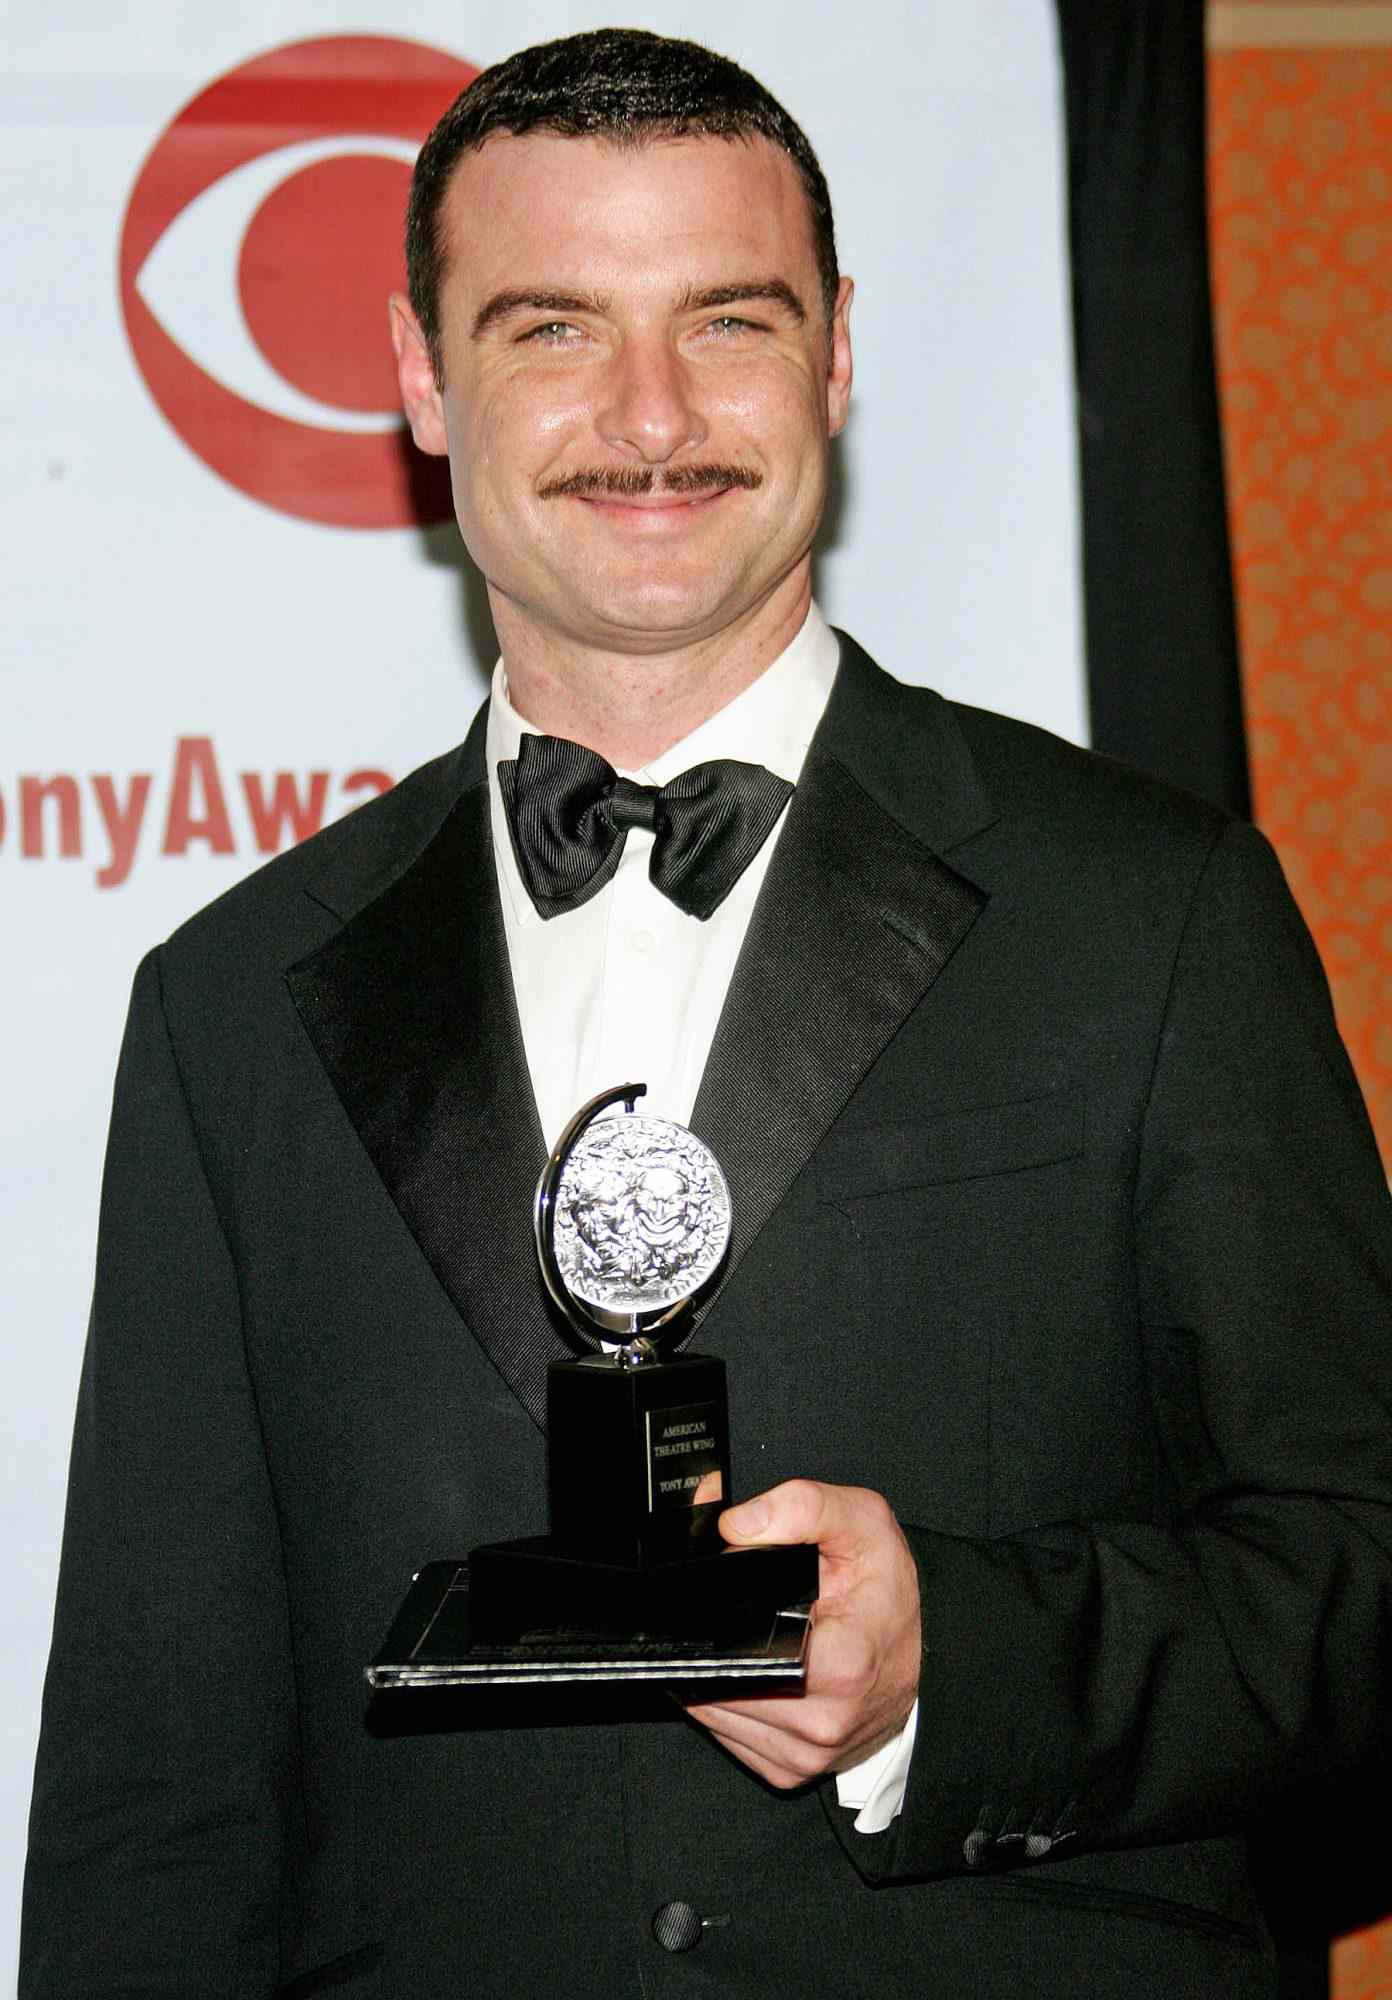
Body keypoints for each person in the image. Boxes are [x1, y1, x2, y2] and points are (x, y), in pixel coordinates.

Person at [21, 28, 1392, 2000]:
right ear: (421, 373)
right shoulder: (231, 1007)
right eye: (553, 330)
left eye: (728, 323)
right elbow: (155, 1807)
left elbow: (1362, 1570)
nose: (649, 417)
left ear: (839, 351)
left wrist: (966, 1663)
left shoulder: (1153, 912)